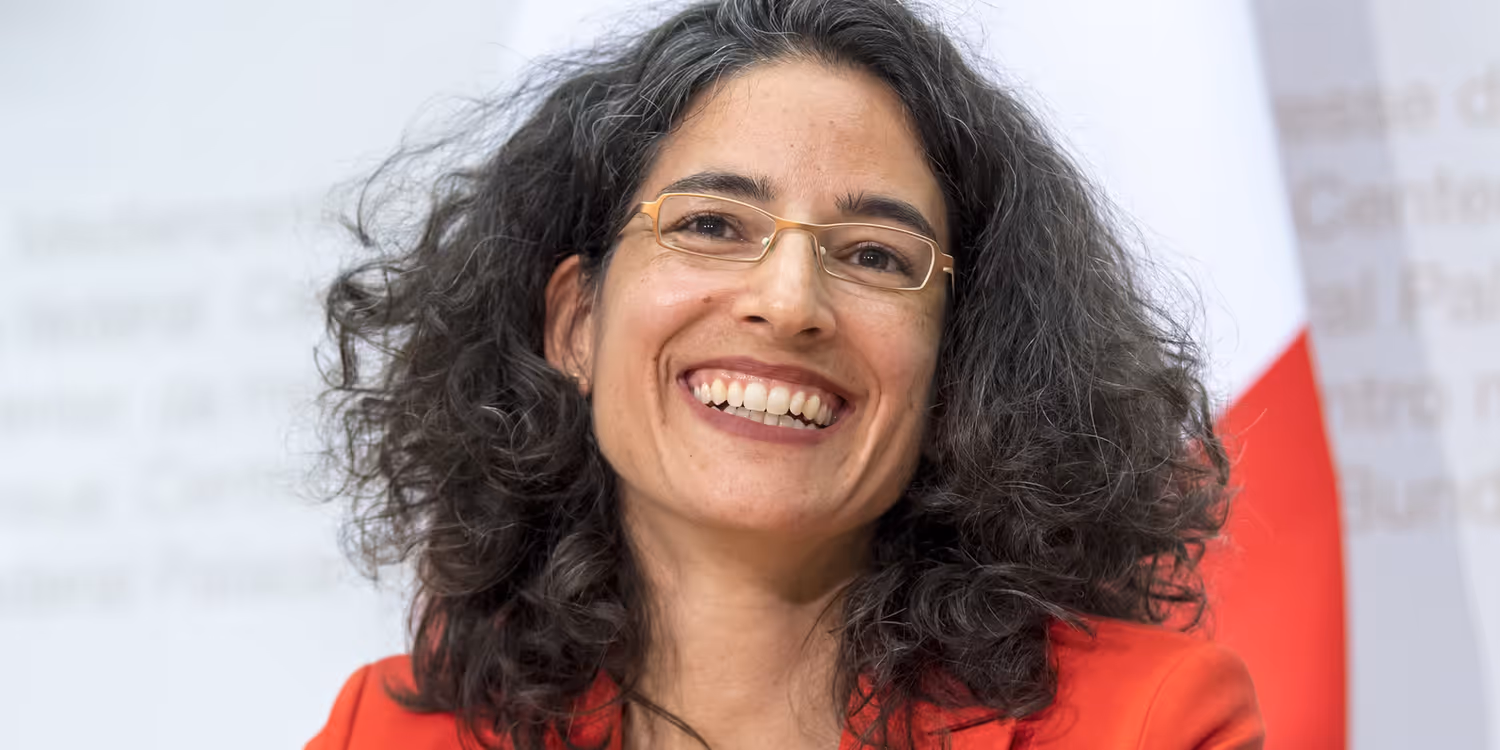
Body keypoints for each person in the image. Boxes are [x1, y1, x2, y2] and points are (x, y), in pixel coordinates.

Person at [307, 0, 1263, 748]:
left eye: (878, 256)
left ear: (956, 370)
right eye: (711, 225)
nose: (791, 300)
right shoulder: (388, 734)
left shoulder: (1150, 725)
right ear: (577, 324)